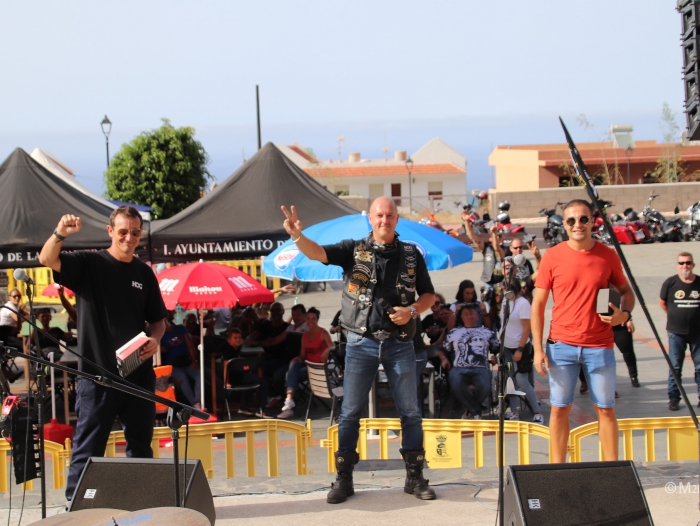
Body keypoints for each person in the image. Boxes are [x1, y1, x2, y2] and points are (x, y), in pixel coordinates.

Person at [282, 196, 437, 503]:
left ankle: (415, 478)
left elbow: (429, 294)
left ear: (397, 219)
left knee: (410, 412)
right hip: (360, 342)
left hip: (400, 343)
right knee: (350, 413)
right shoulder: (354, 250)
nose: (385, 220)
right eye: (379, 215)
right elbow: (318, 253)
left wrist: (413, 311)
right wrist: (298, 236)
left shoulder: (411, 254)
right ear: (370, 218)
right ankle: (344, 479)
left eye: (390, 215)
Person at [39, 206, 167, 504]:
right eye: (123, 231)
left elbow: (158, 321)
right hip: (97, 376)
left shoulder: (144, 273)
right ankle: (77, 506)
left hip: (137, 374)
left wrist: (155, 340)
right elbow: (46, 258)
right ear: (110, 231)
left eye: (135, 232)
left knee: (140, 446)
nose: (129, 238)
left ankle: (139, 503)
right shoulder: (90, 263)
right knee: (88, 446)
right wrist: (61, 232)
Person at [531, 199, 634, 463]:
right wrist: (538, 350)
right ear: (564, 225)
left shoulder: (607, 255)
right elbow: (538, 305)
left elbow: (626, 292)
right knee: (559, 409)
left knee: (606, 409)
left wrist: (624, 314)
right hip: (561, 345)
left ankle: (613, 469)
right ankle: (557, 469)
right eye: (572, 220)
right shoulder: (552, 256)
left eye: (584, 219)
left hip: (599, 346)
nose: (578, 224)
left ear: (593, 221)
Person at [498, 265, 543, 423]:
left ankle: (537, 411)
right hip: (507, 348)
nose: (503, 292)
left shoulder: (523, 303)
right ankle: (514, 410)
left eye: (505, 289)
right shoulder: (506, 302)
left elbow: (526, 328)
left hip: (520, 348)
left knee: (523, 382)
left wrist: (520, 349)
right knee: (510, 380)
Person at [440, 304, 499, 419]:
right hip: (459, 368)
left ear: (477, 315)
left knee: (485, 386)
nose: (469, 316)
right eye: (466, 314)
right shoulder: (454, 333)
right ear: (461, 317)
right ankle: (475, 411)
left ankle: (470, 411)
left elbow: (496, 349)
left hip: (481, 368)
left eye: (471, 313)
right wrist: (444, 358)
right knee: (456, 384)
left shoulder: (487, 332)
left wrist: (495, 357)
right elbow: (442, 350)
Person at [660, 251, 700, 411]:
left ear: (693, 265)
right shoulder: (670, 283)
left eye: (688, 263)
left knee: (699, 367)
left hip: (697, 333)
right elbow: (663, 303)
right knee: (675, 366)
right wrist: (676, 317)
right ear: (677, 265)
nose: (685, 266)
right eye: (682, 263)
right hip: (676, 333)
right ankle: (674, 398)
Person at [278, 307, 333, 419]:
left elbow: (333, 346)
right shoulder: (305, 336)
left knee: (290, 374)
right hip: (307, 363)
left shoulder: (323, 333)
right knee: (294, 364)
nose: (310, 321)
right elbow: (303, 356)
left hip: (318, 366)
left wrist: (327, 349)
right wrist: (297, 357)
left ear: (317, 320)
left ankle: (289, 405)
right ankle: (289, 401)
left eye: (313, 319)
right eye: (308, 318)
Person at [224, 329, 271, 417]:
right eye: (235, 338)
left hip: (242, 376)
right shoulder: (228, 350)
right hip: (236, 379)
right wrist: (226, 382)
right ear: (229, 339)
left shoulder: (236, 349)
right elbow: (226, 367)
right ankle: (262, 409)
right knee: (263, 382)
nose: (238, 339)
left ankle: (243, 407)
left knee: (252, 379)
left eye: (239, 337)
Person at [160, 310, 201, 410]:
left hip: (186, 361)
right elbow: (161, 349)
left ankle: (198, 401)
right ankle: (194, 405)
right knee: (182, 378)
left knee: (199, 375)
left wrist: (193, 360)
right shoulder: (160, 336)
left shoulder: (180, 328)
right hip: (173, 365)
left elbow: (190, 345)